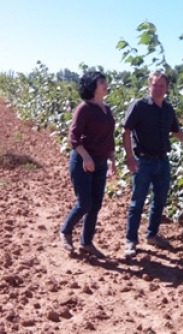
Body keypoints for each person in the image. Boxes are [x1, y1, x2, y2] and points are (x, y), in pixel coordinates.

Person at [122, 71, 183, 258]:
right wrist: (129, 157)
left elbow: (176, 131)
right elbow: (126, 131)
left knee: (160, 200)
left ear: (167, 88)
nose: (158, 89)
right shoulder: (139, 106)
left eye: (162, 86)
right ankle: (131, 240)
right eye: (155, 85)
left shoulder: (167, 109)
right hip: (143, 160)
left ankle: (152, 234)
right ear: (149, 85)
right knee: (137, 202)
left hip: (162, 161)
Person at [59, 71, 116, 258]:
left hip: (100, 162)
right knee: (84, 203)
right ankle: (66, 231)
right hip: (82, 162)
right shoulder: (84, 108)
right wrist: (86, 157)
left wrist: (112, 162)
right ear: (93, 86)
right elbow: (73, 138)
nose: (105, 84)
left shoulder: (106, 109)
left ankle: (86, 243)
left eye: (105, 81)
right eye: (101, 82)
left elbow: (109, 139)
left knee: (96, 204)